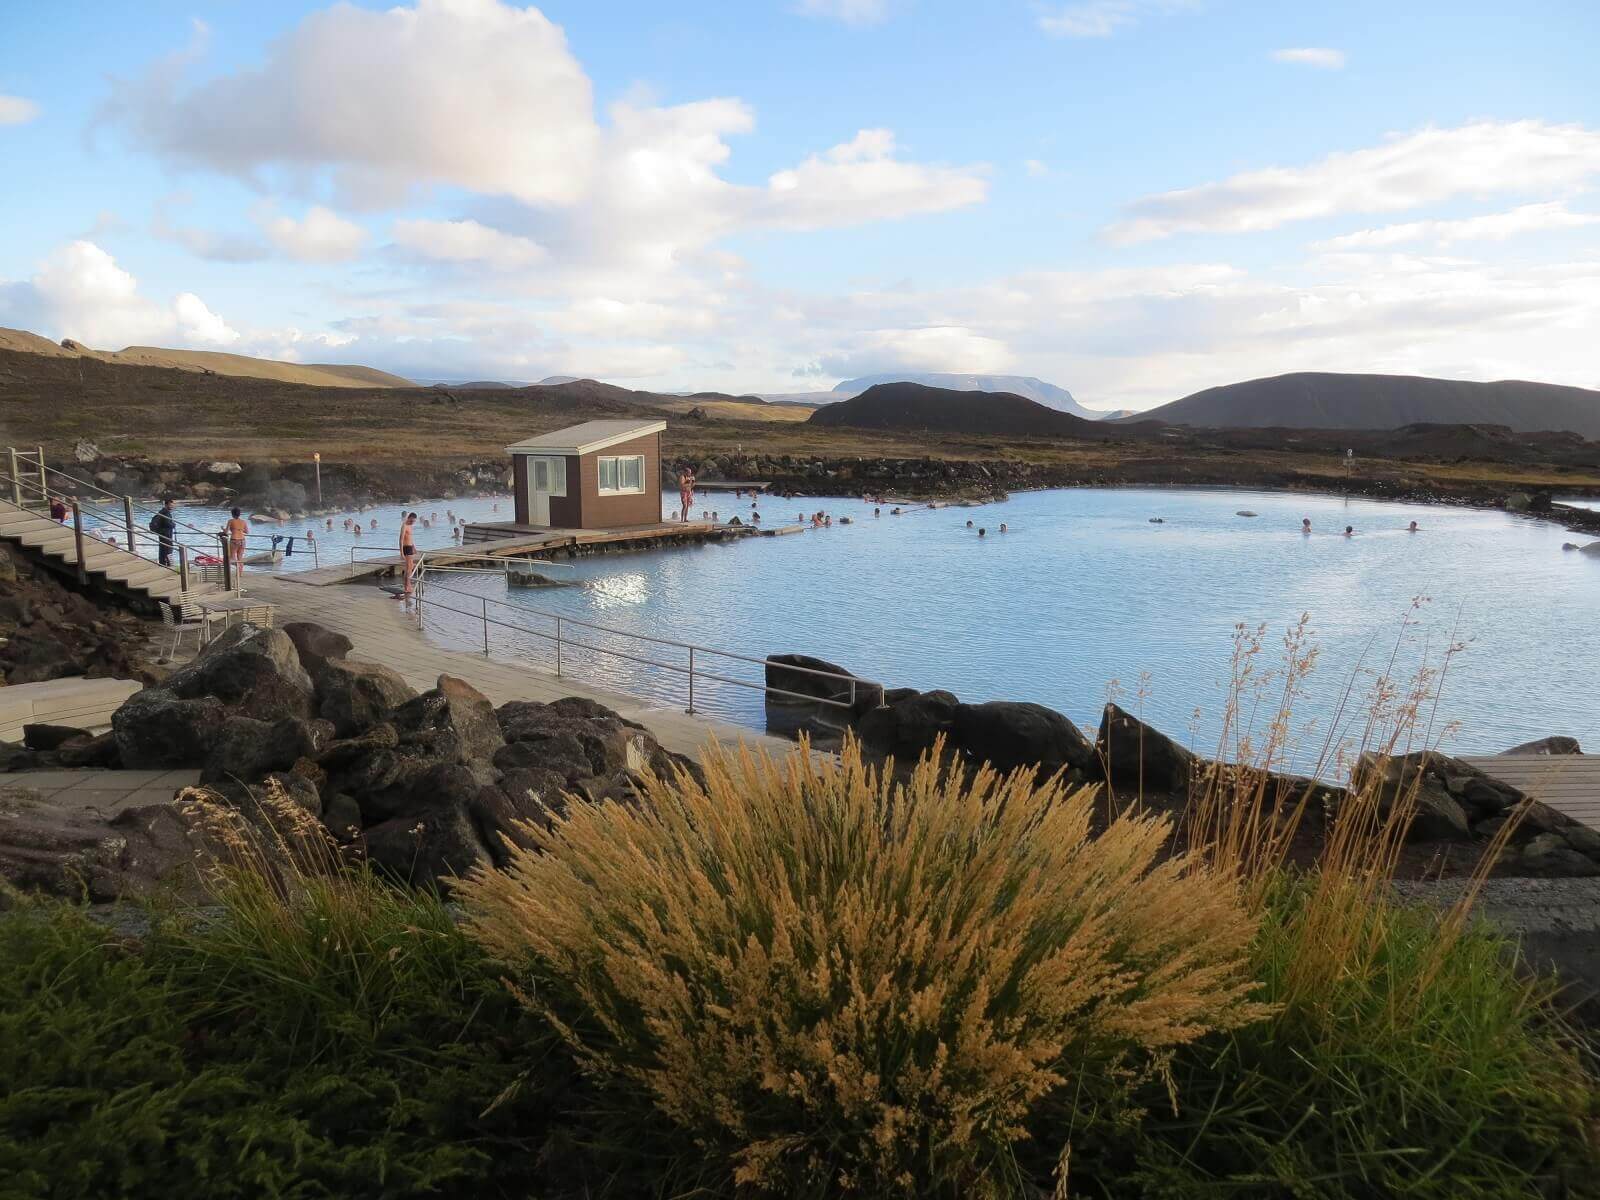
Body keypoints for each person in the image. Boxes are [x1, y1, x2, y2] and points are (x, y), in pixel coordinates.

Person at [149, 498, 177, 567]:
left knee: (162, 549)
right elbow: (168, 524)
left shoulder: (161, 512)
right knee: (168, 549)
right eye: (171, 505)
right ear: (166, 504)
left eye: (173, 505)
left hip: (162, 533)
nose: (172, 506)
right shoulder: (166, 513)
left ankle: (162, 563)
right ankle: (168, 564)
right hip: (166, 534)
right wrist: (174, 524)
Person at [225, 508, 249, 584]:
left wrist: (222, 528)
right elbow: (247, 532)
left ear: (232, 514)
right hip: (242, 540)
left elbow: (226, 532)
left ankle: (234, 570)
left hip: (234, 540)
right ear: (239, 514)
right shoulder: (243, 522)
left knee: (232, 557)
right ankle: (240, 573)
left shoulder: (231, 521)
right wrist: (240, 529)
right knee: (240, 557)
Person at [398, 511, 418, 599]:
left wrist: (414, 547)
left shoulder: (410, 526)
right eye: (412, 521)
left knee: (411, 567)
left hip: (410, 547)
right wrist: (401, 552)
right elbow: (401, 539)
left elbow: (410, 538)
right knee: (408, 568)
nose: (412, 522)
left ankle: (408, 585)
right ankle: (407, 587)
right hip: (406, 548)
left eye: (414, 521)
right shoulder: (404, 525)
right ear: (409, 518)